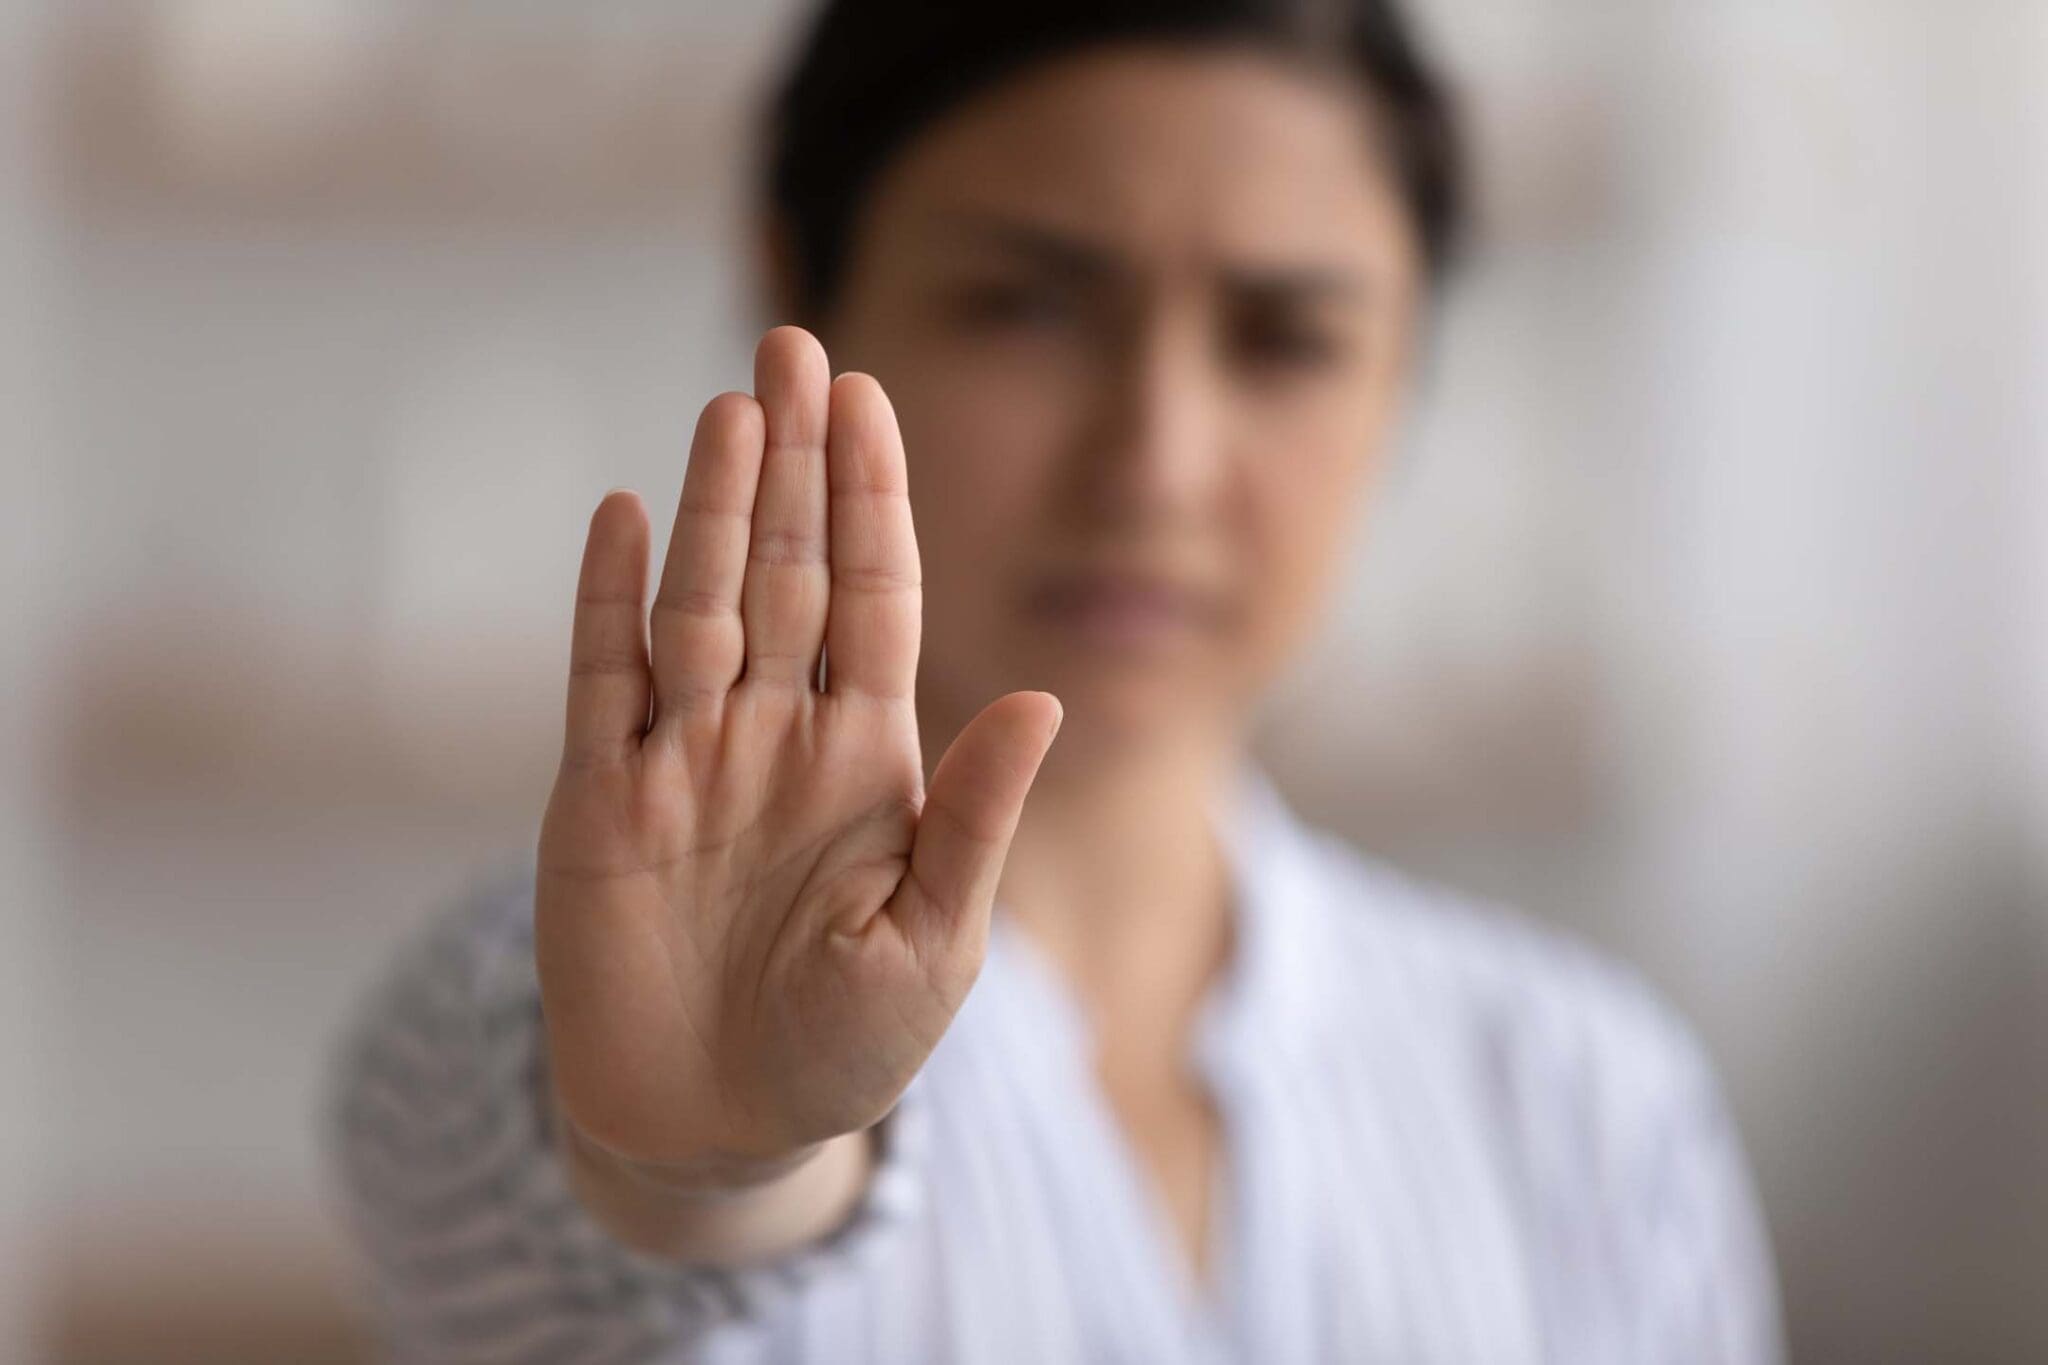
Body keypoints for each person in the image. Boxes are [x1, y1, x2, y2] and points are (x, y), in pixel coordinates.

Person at [326, 1, 1784, 1360]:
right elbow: (629, 1199)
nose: (1156, 462)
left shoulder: (1587, 1097)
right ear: (801, 290)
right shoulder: (528, 1015)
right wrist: (710, 1160)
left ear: (1404, 375)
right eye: (1024, 306)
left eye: (1285, 339)